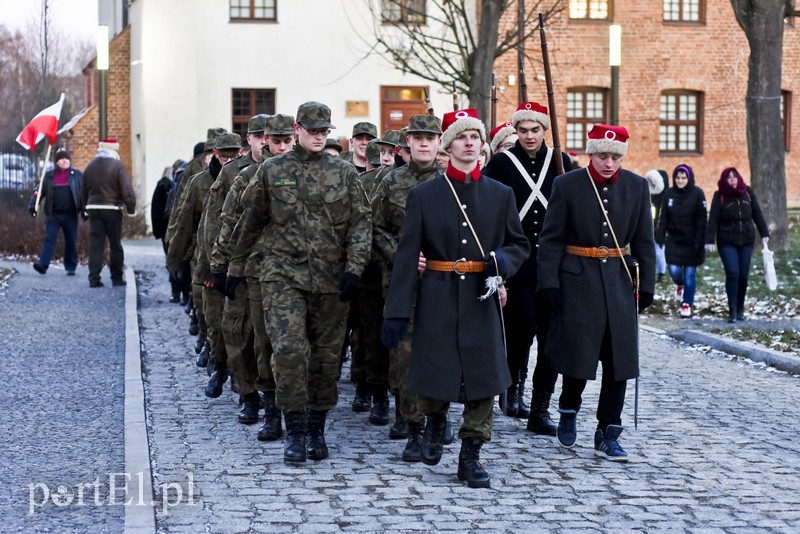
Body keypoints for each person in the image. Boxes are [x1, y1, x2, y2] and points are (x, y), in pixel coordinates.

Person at [381, 108, 530, 488]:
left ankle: (470, 455)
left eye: (474, 137)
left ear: (482, 145)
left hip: (481, 295)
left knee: (485, 375)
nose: (469, 143)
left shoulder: (500, 194)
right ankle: (434, 421)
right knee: (435, 366)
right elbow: (407, 254)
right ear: (448, 146)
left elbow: (518, 244)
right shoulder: (424, 195)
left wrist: (502, 262)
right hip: (438, 293)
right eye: (461, 137)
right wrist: (397, 311)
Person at [228, 101, 372, 464]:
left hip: (331, 280)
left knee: (326, 359)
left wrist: (354, 269)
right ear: (298, 130)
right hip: (282, 276)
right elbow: (251, 220)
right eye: (313, 131)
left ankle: (315, 429)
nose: (319, 137)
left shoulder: (343, 173)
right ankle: (293, 429)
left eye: (324, 132)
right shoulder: (273, 170)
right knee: (290, 352)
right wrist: (233, 267)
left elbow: (360, 223)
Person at [537, 124, 655, 462]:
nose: (608, 163)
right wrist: (549, 282)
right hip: (577, 280)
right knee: (578, 354)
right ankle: (569, 409)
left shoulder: (637, 187)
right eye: (602, 156)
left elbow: (644, 241)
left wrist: (647, 285)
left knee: (619, 360)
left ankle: (608, 431)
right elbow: (551, 239)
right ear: (592, 154)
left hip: (619, 282)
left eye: (615, 157)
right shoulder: (567, 185)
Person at [482, 101, 573, 434]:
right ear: (516, 131)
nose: (529, 136)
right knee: (520, 333)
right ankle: (510, 391)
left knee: (552, 340)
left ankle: (540, 409)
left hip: (553, 265)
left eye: (535, 130)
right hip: (518, 264)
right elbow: (487, 207)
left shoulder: (562, 162)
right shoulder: (501, 163)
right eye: (523, 130)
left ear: (544, 130)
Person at [371, 114, 446, 453]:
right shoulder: (391, 181)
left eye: (430, 138)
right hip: (402, 281)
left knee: (439, 352)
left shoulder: (451, 181)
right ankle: (412, 424)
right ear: (408, 144)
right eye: (418, 138)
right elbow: (374, 228)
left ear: (439, 142)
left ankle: (437, 418)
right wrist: (403, 254)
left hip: (444, 281)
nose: (424, 143)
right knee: (404, 354)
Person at [705, 167, 769, 323]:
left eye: (734, 177)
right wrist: (709, 239)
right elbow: (713, 218)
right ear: (724, 180)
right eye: (729, 177)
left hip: (746, 240)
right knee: (733, 273)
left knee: (743, 276)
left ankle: (740, 308)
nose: (732, 180)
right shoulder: (720, 196)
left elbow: (757, 214)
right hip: (727, 241)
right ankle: (732, 309)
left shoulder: (747, 192)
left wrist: (764, 233)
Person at [80, 139, 137, 287]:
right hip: (112, 209)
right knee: (115, 244)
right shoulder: (117, 166)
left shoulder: (90, 166)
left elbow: (83, 189)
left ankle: (94, 278)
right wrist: (131, 207)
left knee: (96, 244)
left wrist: (84, 208)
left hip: (93, 209)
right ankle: (116, 278)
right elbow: (126, 189)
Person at [654, 164, 707, 318]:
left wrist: (700, 240)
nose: (680, 180)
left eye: (683, 178)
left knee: (690, 274)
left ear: (689, 179)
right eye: (678, 178)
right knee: (674, 271)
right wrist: (660, 235)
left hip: (692, 242)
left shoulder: (698, 194)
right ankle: (679, 284)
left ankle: (686, 303)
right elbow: (664, 217)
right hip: (674, 241)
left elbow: (702, 219)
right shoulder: (669, 194)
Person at [30, 149, 83, 276]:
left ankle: (71, 266)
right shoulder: (49, 176)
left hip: (70, 215)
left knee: (71, 241)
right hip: (53, 215)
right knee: (49, 239)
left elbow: (84, 193)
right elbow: (38, 192)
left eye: (67, 158)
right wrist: (33, 205)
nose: (65, 161)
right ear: (56, 162)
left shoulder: (77, 175)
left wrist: (85, 209)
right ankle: (43, 264)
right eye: (61, 158)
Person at [151, 163, 179, 301]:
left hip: (167, 231)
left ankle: (176, 292)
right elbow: (157, 210)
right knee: (173, 260)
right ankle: (178, 291)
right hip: (168, 230)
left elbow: (155, 211)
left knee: (171, 260)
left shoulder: (165, 185)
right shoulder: (165, 186)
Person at [644, 169, 669, 283]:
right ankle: (652, 273)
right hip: (651, 227)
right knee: (652, 252)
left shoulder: (666, 197)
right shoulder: (651, 195)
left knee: (659, 252)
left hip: (661, 229)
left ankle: (661, 273)